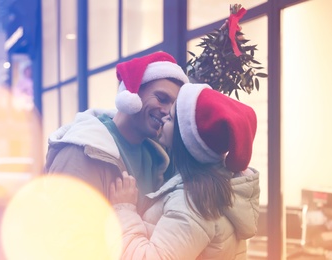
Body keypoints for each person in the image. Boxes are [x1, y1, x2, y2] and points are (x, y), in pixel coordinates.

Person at [110, 83, 260, 259]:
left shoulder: (192, 203)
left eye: (172, 118)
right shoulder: (215, 186)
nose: (165, 118)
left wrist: (124, 211)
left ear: (186, 137)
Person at [45, 51, 189, 209]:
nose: (167, 111)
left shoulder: (158, 156)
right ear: (132, 94)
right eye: (162, 99)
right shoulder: (81, 152)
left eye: (173, 106)